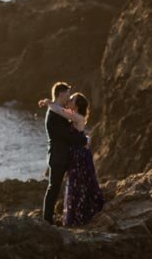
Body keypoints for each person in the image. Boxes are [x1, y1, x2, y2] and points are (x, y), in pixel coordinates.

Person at [61, 92, 105, 227]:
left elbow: (59, 110)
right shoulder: (74, 117)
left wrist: (49, 102)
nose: (70, 99)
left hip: (80, 155)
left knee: (79, 183)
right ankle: (76, 215)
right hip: (77, 154)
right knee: (75, 182)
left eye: (72, 99)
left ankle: (79, 216)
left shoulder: (77, 117)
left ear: (78, 105)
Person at [39, 80, 77, 223]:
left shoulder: (58, 111)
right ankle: (47, 220)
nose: (69, 97)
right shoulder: (54, 114)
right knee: (53, 188)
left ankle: (53, 217)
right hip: (58, 156)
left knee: (57, 188)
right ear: (60, 94)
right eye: (67, 94)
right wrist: (83, 140)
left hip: (61, 155)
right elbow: (66, 135)